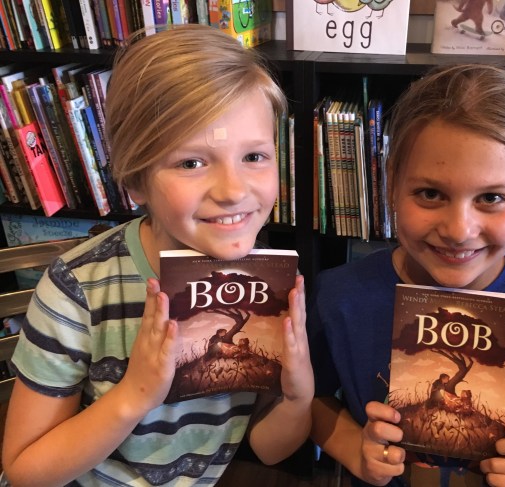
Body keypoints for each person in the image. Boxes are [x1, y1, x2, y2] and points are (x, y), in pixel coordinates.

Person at [3, 24, 313, 486]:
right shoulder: (79, 290)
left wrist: (298, 396)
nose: (233, 191)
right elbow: (25, 471)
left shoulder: (264, 280)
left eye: (254, 157)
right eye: (191, 162)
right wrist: (134, 395)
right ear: (135, 181)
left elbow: (271, 450)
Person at [308, 64, 505, 487]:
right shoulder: (339, 297)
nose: (458, 230)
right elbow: (310, 399)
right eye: (430, 193)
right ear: (392, 180)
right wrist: (353, 448)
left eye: (491, 197)